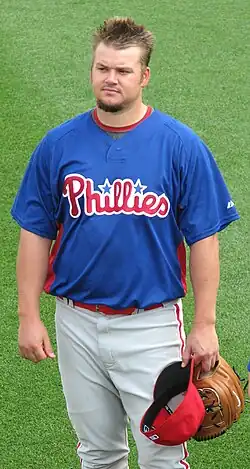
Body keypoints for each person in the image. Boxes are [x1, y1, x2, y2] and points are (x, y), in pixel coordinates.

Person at [11, 16, 240, 469]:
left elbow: (204, 240)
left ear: (144, 76)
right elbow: (35, 232)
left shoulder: (181, 146)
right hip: (74, 322)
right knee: (98, 453)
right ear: (92, 69)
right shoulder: (58, 145)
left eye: (123, 70)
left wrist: (205, 324)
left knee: (163, 452)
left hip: (151, 326)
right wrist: (28, 316)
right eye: (102, 68)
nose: (110, 79)